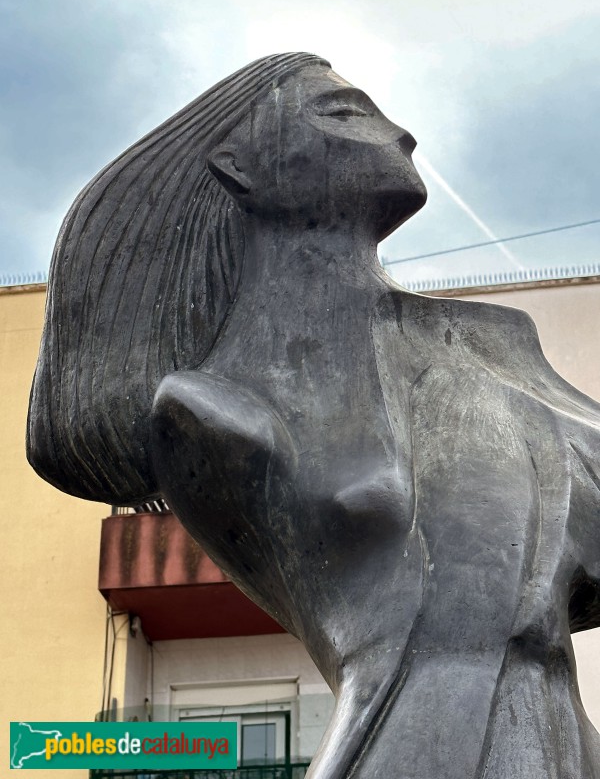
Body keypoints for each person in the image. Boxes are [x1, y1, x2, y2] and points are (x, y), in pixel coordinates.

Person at [28, 53, 600, 778]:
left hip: (561, 746)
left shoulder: (494, 349)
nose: (401, 135)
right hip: (405, 743)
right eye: (343, 113)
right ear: (243, 166)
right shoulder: (211, 409)